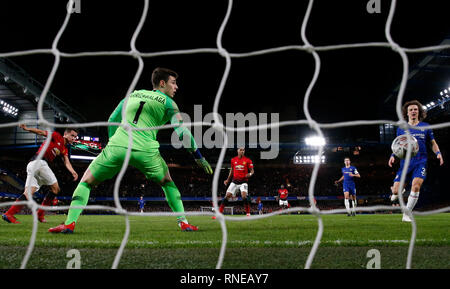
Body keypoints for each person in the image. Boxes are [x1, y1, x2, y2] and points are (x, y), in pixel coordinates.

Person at [49, 67, 213, 233]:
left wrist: (112, 142)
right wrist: (198, 156)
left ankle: (69, 223)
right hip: (146, 150)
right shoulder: (170, 103)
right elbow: (182, 132)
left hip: (118, 145)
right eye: (173, 83)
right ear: (162, 83)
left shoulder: (133, 95)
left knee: (86, 182)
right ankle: (183, 222)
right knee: (167, 183)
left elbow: (112, 119)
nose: (176, 87)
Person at [2, 125, 79, 224]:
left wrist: (73, 171)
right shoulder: (56, 136)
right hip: (39, 162)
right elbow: (41, 132)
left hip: (33, 165)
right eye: (72, 135)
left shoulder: (64, 149)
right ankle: (40, 214)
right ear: (65, 134)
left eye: (75, 137)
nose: (74, 138)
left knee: (29, 193)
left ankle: (9, 214)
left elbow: (66, 162)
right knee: (56, 189)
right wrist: (27, 129)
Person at [388, 100, 444, 222]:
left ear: (419, 112)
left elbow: (432, 143)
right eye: (411, 110)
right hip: (405, 163)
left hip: (420, 162)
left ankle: (407, 214)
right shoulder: (402, 128)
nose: (413, 111)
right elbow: (398, 145)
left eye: (415, 109)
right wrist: (393, 155)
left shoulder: (426, 127)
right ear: (407, 113)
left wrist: (438, 153)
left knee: (416, 185)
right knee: (395, 191)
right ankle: (397, 191)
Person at [219, 147, 254, 217]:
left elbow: (252, 171)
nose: (242, 151)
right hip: (234, 182)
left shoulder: (248, 160)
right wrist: (228, 180)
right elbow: (231, 171)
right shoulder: (233, 160)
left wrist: (249, 174)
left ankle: (248, 213)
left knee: (244, 196)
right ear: (237, 151)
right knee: (227, 196)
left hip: (243, 182)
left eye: (243, 150)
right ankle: (219, 213)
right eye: (241, 150)